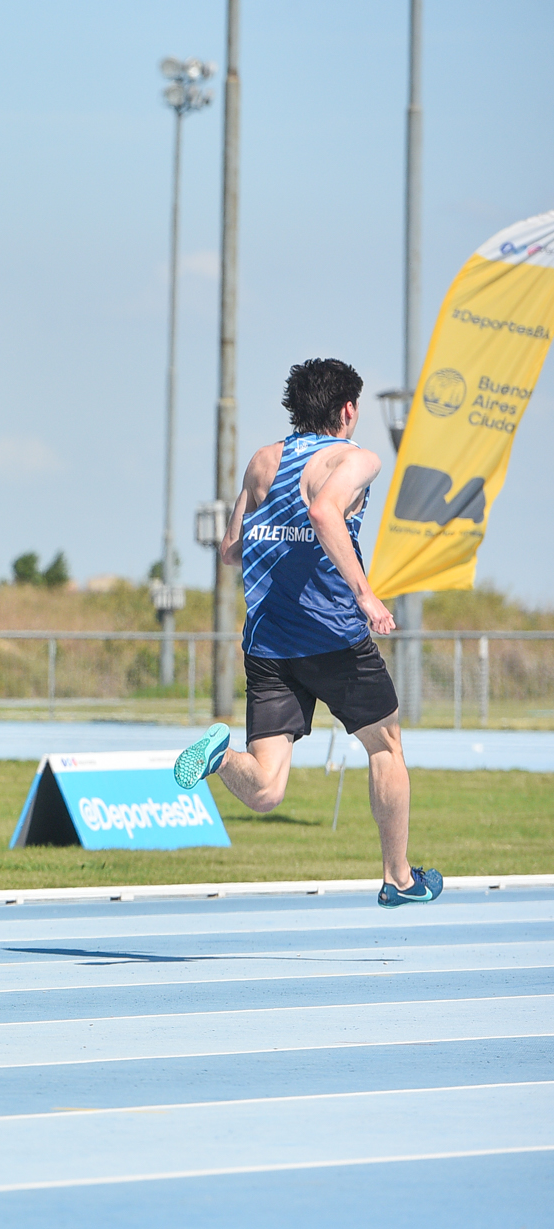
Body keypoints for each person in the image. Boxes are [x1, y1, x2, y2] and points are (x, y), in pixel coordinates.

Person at [173, 357, 440, 907]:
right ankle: (398, 877)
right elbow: (323, 511)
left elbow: (229, 551)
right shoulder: (354, 459)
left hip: (268, 644)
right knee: (385, 746)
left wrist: (280, 540)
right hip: (334, 637)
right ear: (348, 409)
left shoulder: (262, 461)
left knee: (267, 789)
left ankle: (221, 754)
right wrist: (366, 595)